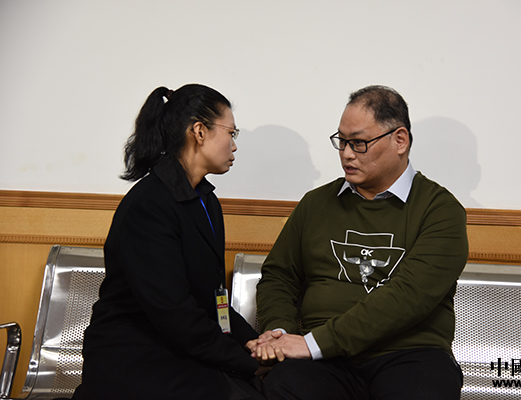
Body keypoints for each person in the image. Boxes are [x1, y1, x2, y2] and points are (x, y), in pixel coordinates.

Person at [253, 85, 469, 399]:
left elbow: (408, 297)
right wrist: (280, 334)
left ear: (400, 140)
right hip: (324, 361)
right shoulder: (316, 204)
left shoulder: (440, 210)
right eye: (342, 141)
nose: (347, 154)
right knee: (285, 385)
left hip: (409, 355)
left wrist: (313, 344)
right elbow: (279, 276)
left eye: (359, 142)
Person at [73, 84, 266, 400]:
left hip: (180, 348)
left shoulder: (206, 200)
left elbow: (213, 299)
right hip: (135, 357)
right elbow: (173, 312)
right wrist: (247, 363)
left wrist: (253, 342)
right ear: (199, 131)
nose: (234, 145)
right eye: (231, 133)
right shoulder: (149, 205)